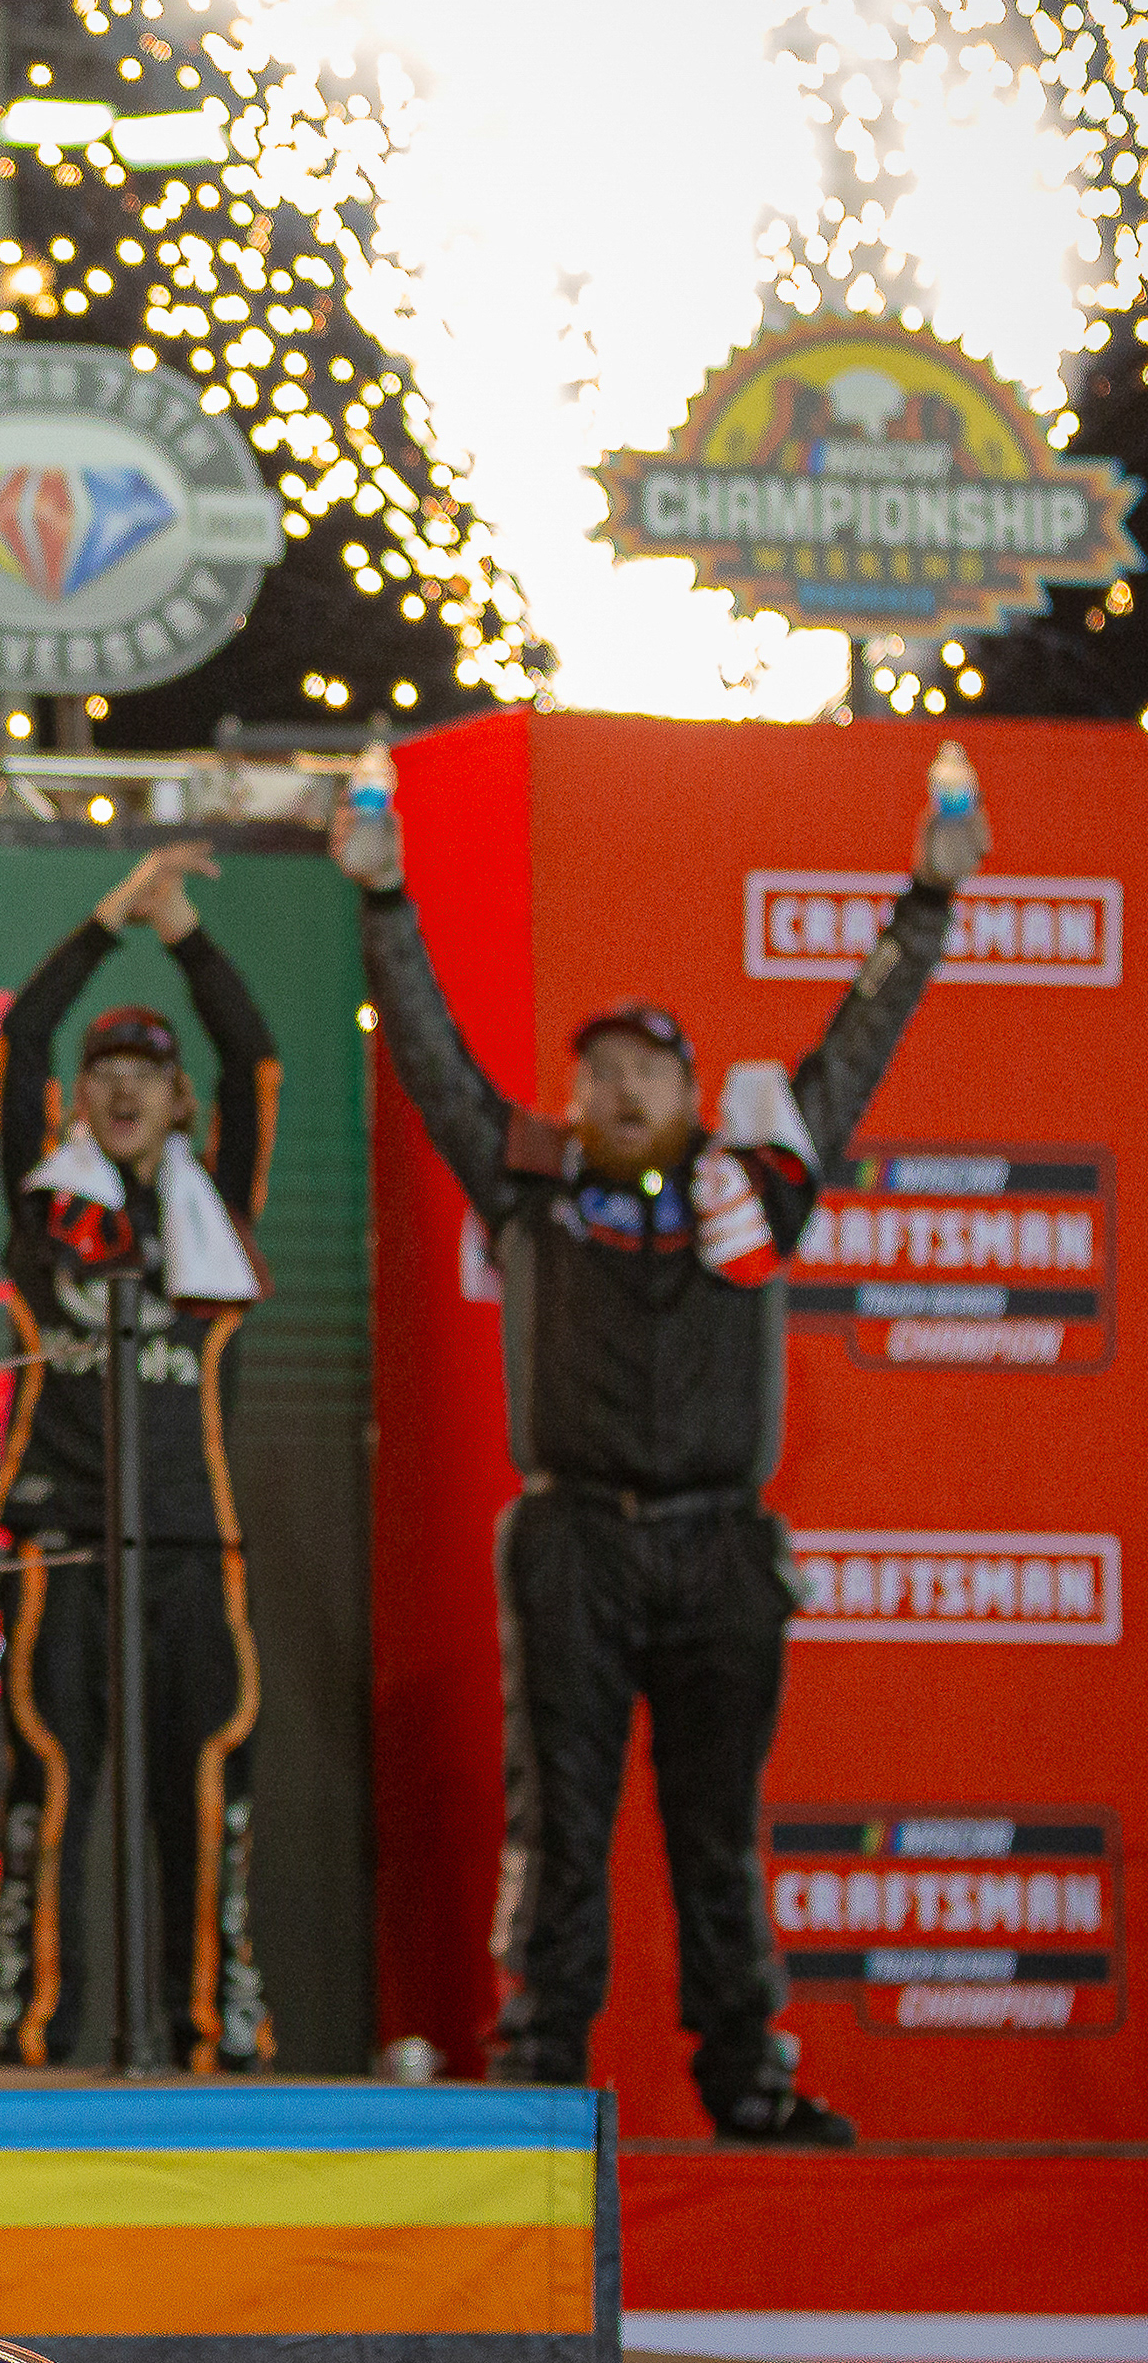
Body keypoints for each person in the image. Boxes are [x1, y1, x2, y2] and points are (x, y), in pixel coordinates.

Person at [340, 769, 987, 2141]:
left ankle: (747, 2079)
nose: (621, 1085)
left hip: (721, 1542)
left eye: (648, 1067)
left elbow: (855, 1047)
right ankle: (534, 2076)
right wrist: (385, 895)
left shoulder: (763, 1186)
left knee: (717, 1826)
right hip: (572, 1535)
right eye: (601, 1068)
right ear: (574, 1092)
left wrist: (929, 894)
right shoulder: (527, 1180)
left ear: (695, 1090)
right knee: (559, 1812)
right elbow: (431, 1051)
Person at [0, 843, 282, 2073]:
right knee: (52, 1783)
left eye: (145, 1073)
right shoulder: (42, 1201)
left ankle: (218, 2030)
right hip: (64, 1543)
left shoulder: (224, 1208)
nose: (119, 1087)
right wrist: (114, 918)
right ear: (78, 1097)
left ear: (180, 1102)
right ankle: (32, 2028)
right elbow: (18, 1037)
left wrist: (190, 931)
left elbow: (256, 1057)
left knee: (206, 1787)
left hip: (195, 1547)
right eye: (102, 1070)